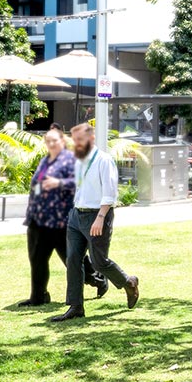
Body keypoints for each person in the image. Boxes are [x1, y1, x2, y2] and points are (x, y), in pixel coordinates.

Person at [51, 123, 140, 322]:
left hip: (97, 216)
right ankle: (75, 307)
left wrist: (100, 218)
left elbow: (109, 193)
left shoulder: (104, 160)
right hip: (76, 215)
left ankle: (129, 282)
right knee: (73, 260)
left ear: (91, 139)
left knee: (99, 261)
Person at [18, 126, 106, 307]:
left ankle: (97, 279)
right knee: (37, 259)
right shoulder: (45, 161)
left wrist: (58, 183)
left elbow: (80, 182)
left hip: (60, 221)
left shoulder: (71, 160)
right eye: (48, 141)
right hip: (38, 219)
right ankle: (38, 296)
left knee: (72, 260)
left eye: (54, 140)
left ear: (63, 141)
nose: (51, 144)